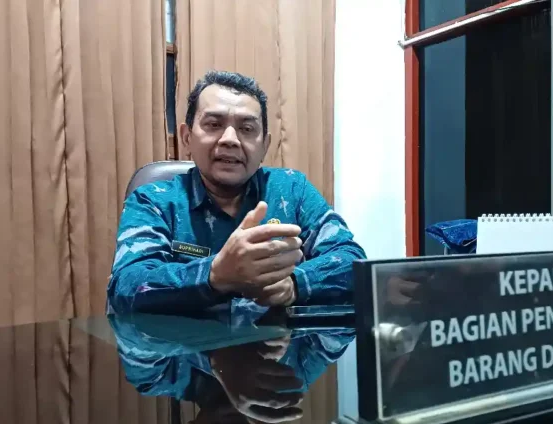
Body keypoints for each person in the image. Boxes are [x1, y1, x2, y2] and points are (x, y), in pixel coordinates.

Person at [107, 70, 366, 314]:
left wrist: (295, 284)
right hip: (185, 345)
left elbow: (352, 261)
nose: (230, 139)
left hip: (277, 344)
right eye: (214, 124)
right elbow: (127, 284)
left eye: (247, 129)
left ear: (264, 146)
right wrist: (214, 275)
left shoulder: (291, 189)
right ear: (187, 138)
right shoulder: (154, 200)